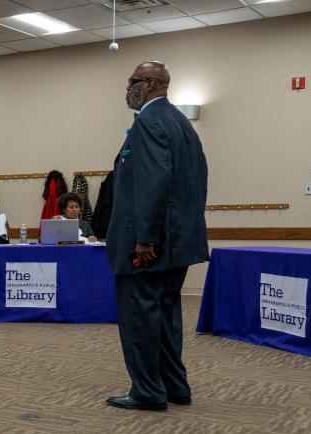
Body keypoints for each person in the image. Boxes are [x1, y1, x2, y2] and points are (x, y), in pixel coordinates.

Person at [106, 61, 208, 412]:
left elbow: (152, 184)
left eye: (132, 81)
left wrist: (145, 239)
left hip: (148, 247)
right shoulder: (182, 124)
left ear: (149, 84)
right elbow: (196, 182)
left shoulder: (148, 122)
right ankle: (174, 385)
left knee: (140, 318)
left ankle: (148, 391)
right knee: (165, 316)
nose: (127, 88)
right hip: (176, 246)